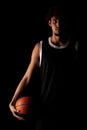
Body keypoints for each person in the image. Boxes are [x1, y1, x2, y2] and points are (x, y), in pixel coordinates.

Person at [9, 5, 78, 130]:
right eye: (55, 20)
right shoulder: (40, 47)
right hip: (45, 112)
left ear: (66, 22)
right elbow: (27, 77)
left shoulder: (75, 47)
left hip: (70, 112)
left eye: (61, 20)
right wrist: (13, 101)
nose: (58, 24)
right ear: (49, 22)